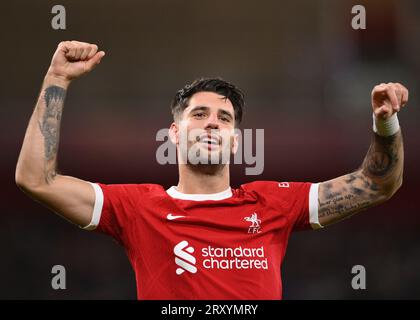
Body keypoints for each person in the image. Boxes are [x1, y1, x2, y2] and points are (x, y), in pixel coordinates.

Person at [15, 41, 408, 299]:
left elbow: (377, 184)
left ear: (236, 139)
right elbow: (36, 179)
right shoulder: (138, 208)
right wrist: (57, 80)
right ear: (173, 133)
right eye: (199, 114)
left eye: (224, 118)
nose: (211, 123)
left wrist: (385, 123)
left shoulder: (273, 202)